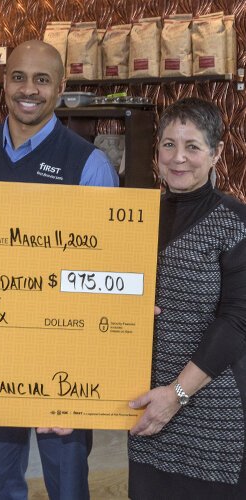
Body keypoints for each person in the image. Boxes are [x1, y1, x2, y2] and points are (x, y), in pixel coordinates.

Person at [0, 40, 118, 500]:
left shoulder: (90, 165)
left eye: (42, 80)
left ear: (60, 89)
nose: (29, 89)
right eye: (19, 77)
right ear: (4, 83)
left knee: (67, 483)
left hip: (62, 352)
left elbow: (107, 269)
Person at [127, 97, 246, 499]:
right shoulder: (134, 217)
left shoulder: (235, 221)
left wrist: (176, 394)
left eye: (192, 146)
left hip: (212, 410)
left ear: (215, 154)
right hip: (147, 408)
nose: (179, 158)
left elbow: (236, 321)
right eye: (168, 145)